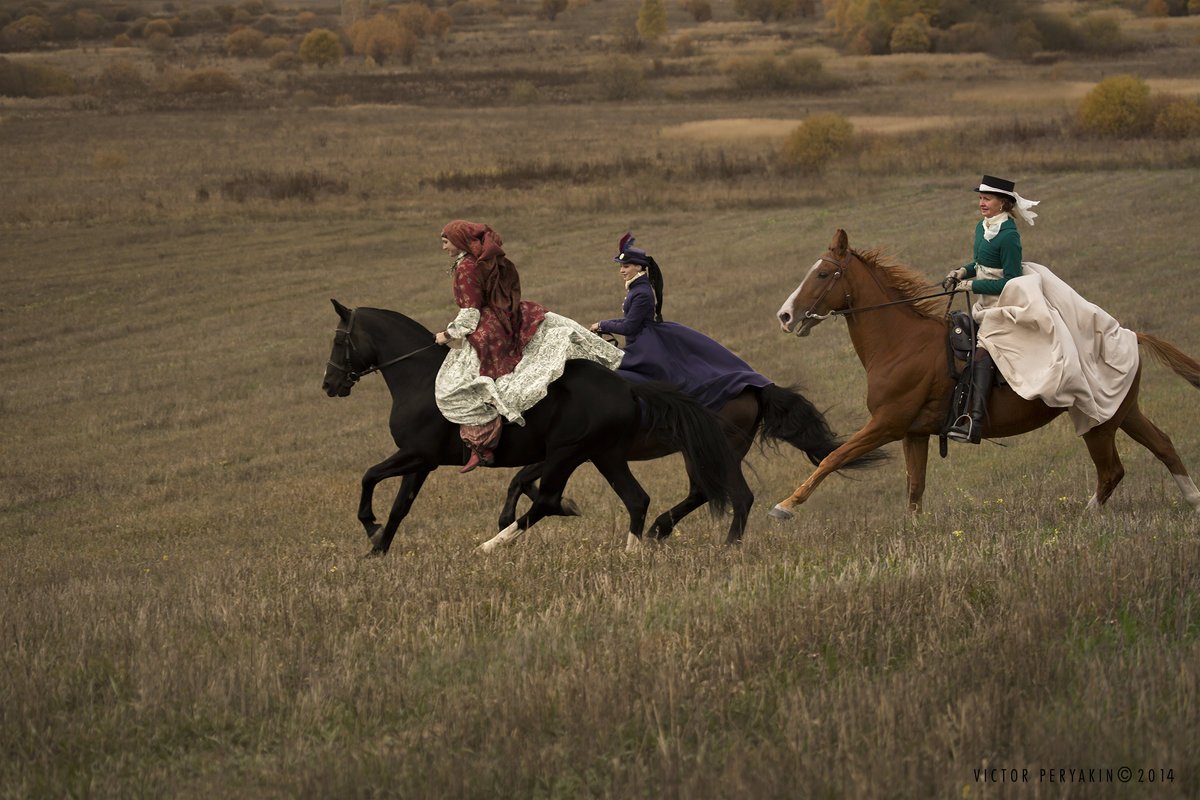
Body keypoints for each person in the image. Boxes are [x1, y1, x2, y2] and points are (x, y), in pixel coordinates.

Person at [941, 175, 1138, 443]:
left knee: (984, 351)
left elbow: (1010, 281)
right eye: (980, 198)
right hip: (985, 301)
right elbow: (981, 263)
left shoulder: (1010, 235)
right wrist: (963, 270)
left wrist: (972, 286)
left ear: (1004, 203)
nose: (981, 203)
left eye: (987, 198)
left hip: (1007, 302)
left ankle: (973, 422)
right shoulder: (982, 227)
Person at [434, 220, 623, 472]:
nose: (444, 247)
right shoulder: (480, 260)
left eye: (446, 241)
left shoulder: (467, 268)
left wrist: (446, 335)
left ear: (458, 242)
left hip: (489, 330)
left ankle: (482, 442)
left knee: (456, 388)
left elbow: (470, 316)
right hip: (509, 316)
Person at [590, 233, 772, 410]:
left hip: (644, 344)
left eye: (626, 266)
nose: (622, 270)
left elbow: (630, 326)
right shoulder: (637, 289)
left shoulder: (641, 293)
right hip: (642, 337)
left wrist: (602, 325)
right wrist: (602, 323)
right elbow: (630, 320)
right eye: (621, 267)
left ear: (639, 267)